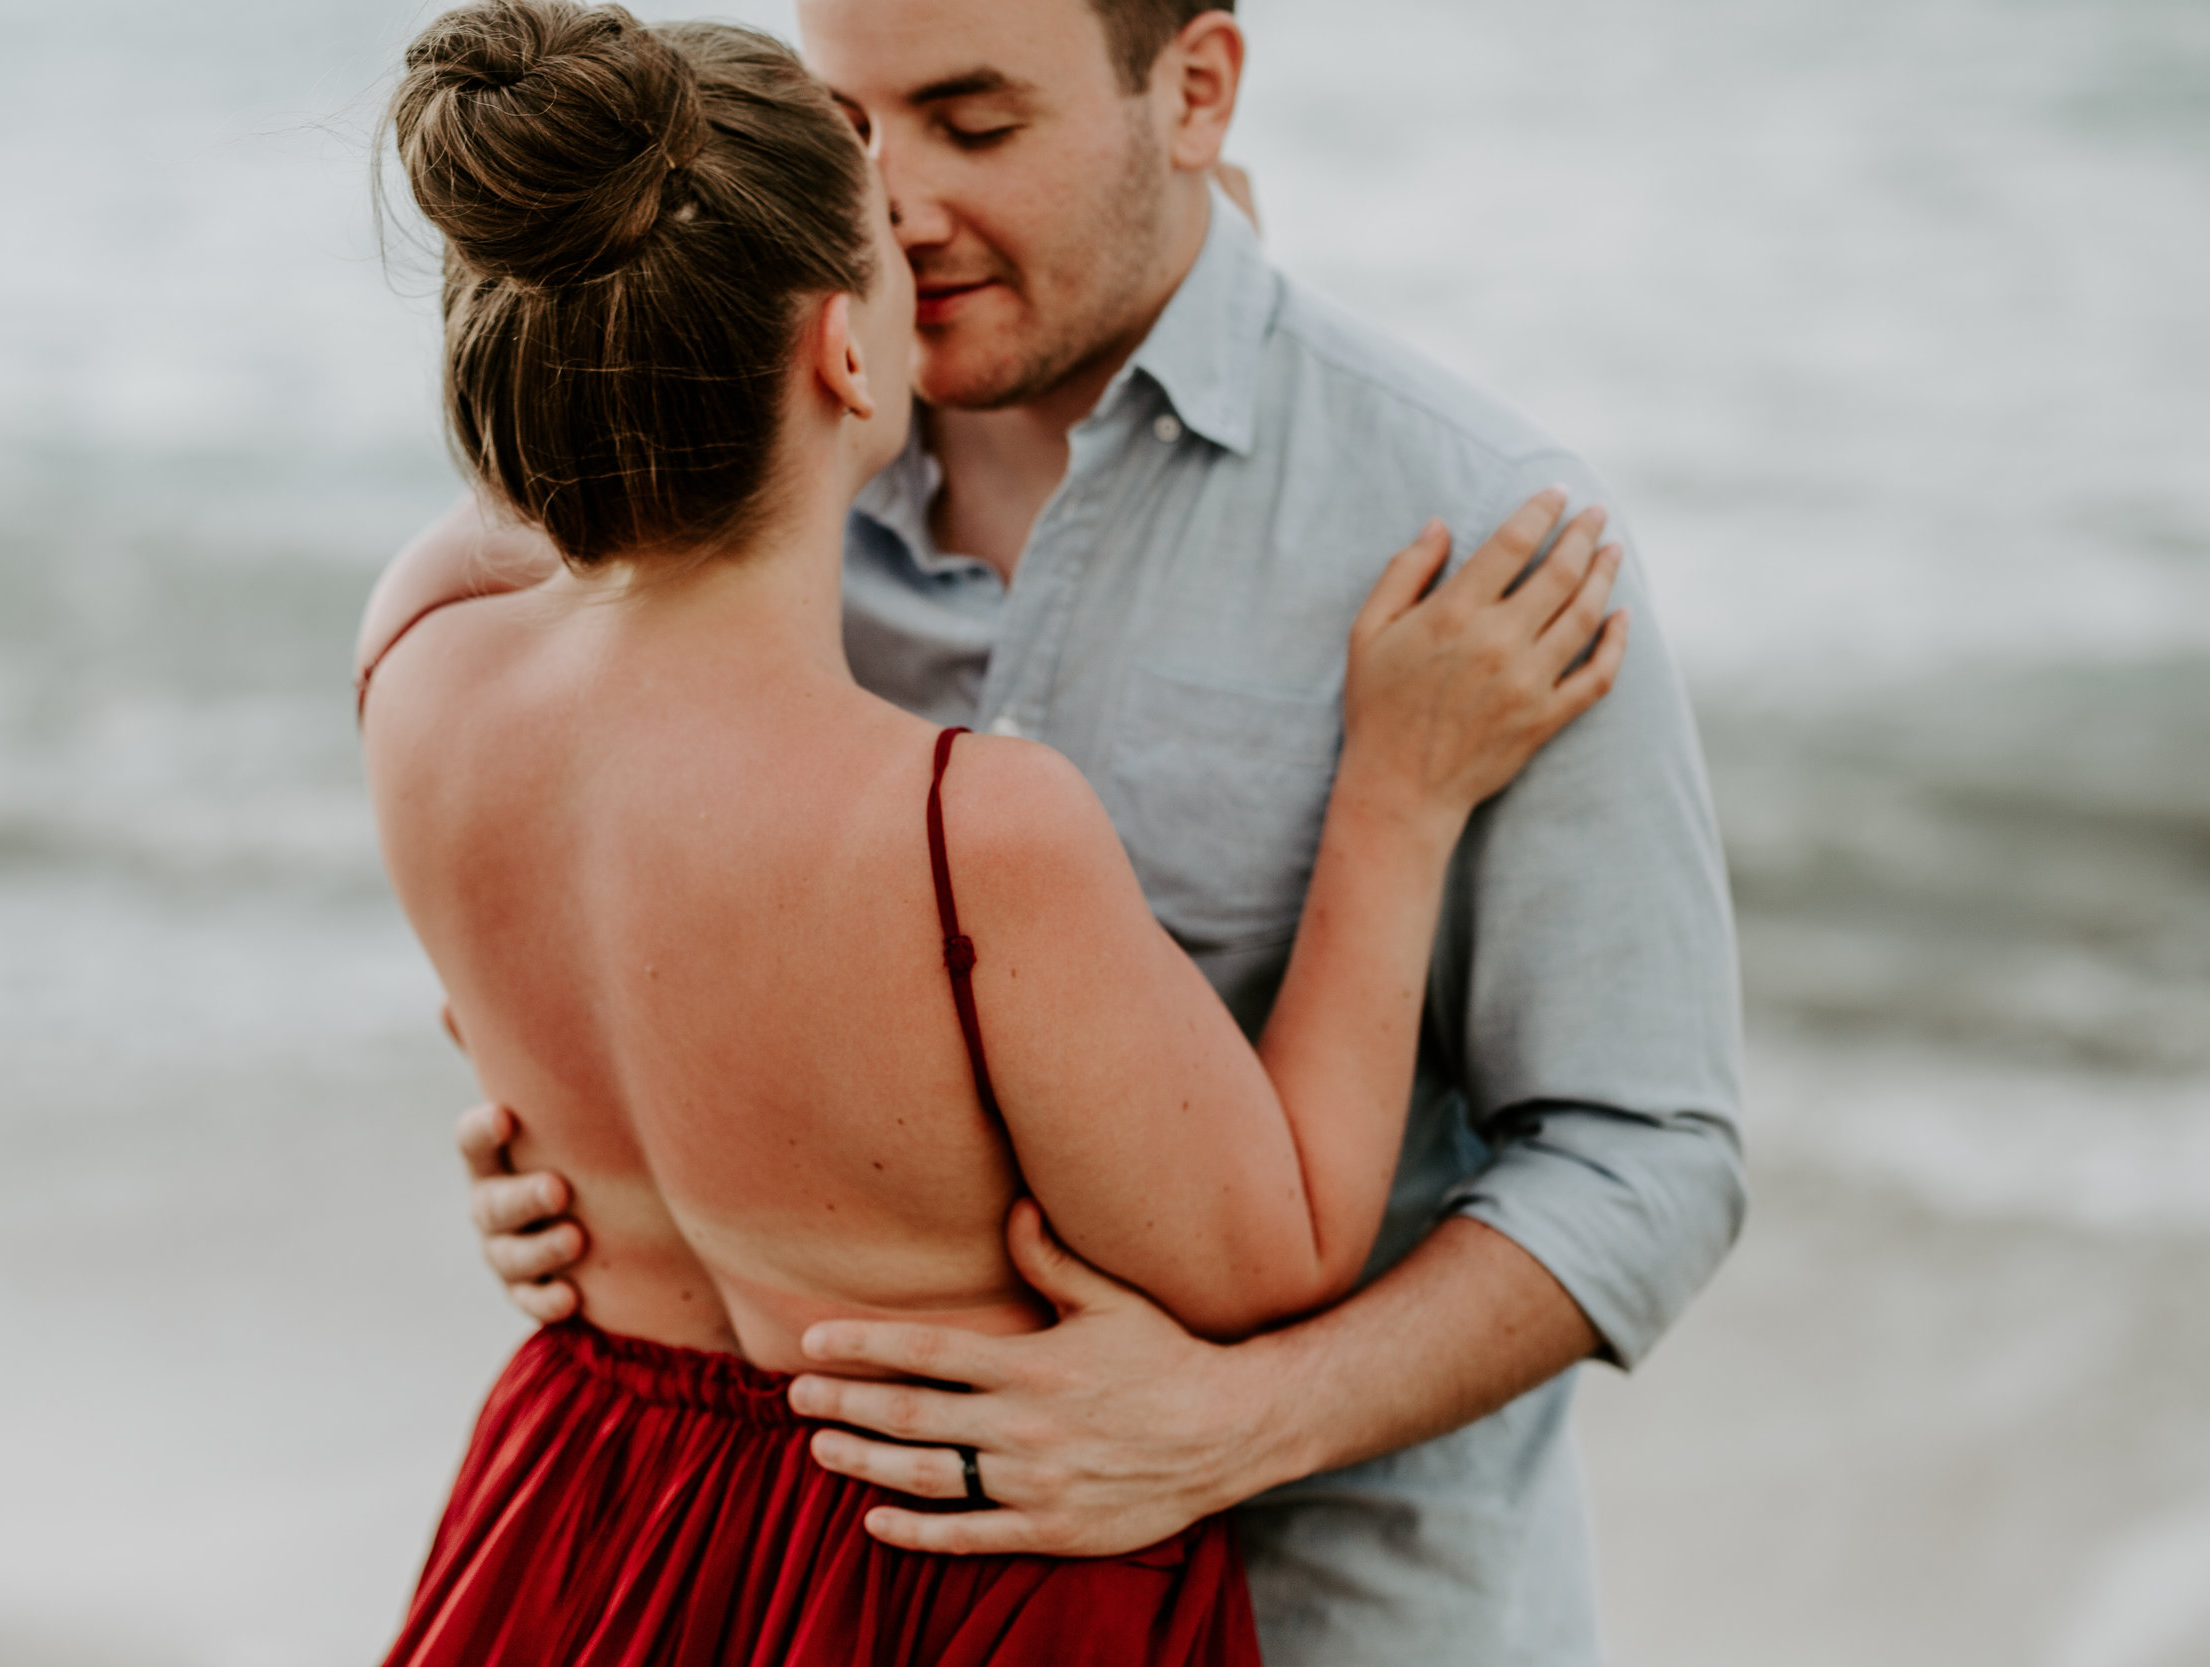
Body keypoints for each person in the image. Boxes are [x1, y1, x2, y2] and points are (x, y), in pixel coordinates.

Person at [380, 0, 1745, 1659]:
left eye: (977, 122)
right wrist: (576, 1159)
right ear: (839, 336)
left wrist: (1249, 1419)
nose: (895, 202)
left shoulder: (1468, 532)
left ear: (1194, 92)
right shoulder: (710, 444)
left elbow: (1649, 1156)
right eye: (852, 129)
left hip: (1349, 1592)